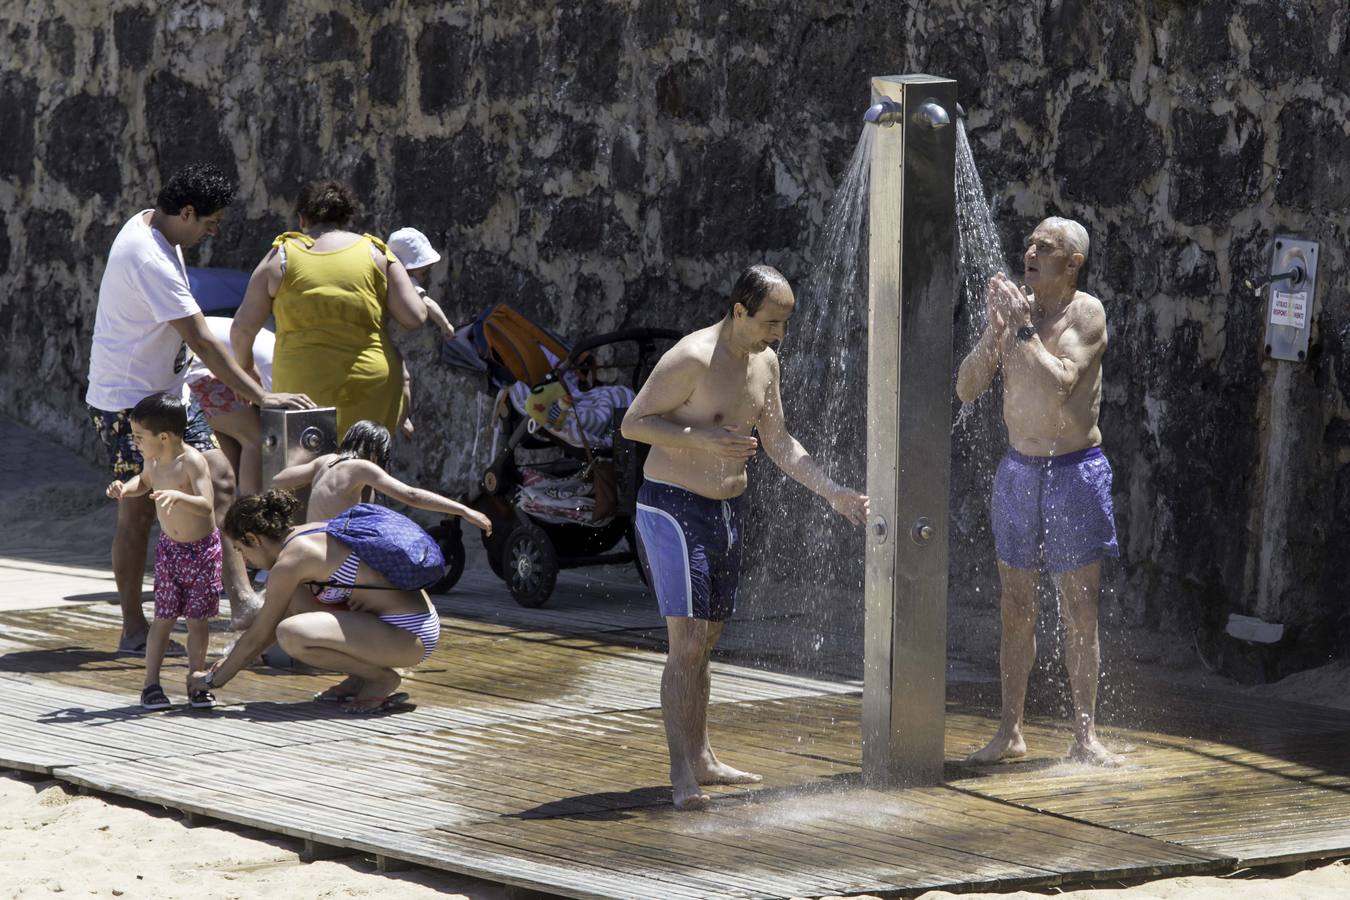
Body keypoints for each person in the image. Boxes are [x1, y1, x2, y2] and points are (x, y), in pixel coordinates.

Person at [620, 264, 869, 810]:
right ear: (739, 310)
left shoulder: (765, 363)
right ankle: (681, 771)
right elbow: (634, 423)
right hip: (672, 507)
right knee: (685, 642)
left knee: (706, 639)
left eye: (784, 324)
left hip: (727, 509)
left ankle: (703, 756)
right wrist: (700, 438)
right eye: (771, 322)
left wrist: (833, 493)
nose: (778, 334)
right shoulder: (691, 357)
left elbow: (778, 441)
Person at [86, 162, 314, 653]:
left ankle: (241, 600)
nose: (214, 230)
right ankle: (133, 627)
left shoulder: (159, 227)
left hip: (172, 393)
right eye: (210, 221)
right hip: (129, 404)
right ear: (186, 211)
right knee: (139, 512)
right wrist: (261, 397)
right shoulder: (149, 256)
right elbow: (205, 342)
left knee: (221, 481)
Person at [955, 216, 1122, 767]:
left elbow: (1060, 385)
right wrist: (995, 330)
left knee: (1079, 606)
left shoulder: (1086, 312)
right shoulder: (1017, 313)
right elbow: (966, 387)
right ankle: (1010, 731)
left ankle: (1085, 734)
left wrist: (1023, 330)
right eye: (1028, 242)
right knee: (1015, 606)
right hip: (1020, 471)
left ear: (1073, 262)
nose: (1029, 251)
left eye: (1044, 247)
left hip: (1075, 469)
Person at [189, 490, 442, 713]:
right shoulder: (304, 533)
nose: (244, 560)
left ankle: (380, 678)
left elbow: (259, 634)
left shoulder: (291, 563)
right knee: (295, 602)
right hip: (408, 625)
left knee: (292, 634)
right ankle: (358, 678)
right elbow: (268, 625)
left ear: (254, 538)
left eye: (241, 550)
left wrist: (212, 680)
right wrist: (229, 662)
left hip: (409, 634)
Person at [232, 180, 426, 437]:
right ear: (347, 219)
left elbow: (242, 330)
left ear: (302, 219)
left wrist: (245, 367)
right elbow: (414, 317)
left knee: (304, 472)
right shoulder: (375, 252)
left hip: (302, 387)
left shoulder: (281, 257)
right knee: (366, 471)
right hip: (370, 384)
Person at [104, 394, 222, 711]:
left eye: (140, 437)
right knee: (163, 619)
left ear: (164, 437)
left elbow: (207, 504)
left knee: (198, 620)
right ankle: (151, 685)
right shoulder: (153, 461)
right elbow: (142, 483)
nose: (135, 442)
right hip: (170, 552)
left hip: (201, 553)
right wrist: (124, 489)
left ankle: (196, 681)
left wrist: (177, 496)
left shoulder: (192, 461)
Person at [271, 419, 492, 532]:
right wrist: (464, 510)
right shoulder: (363, 467)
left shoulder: (325, 461)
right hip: (330, 550)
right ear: (376, 452)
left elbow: (278, 480)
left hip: (309, 538)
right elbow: (412, 496)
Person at [185, 317, 275, 496]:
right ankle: (253, 507)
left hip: (190, 370)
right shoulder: (279, 369)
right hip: (201, 371)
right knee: (256, 440)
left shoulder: (280, 349)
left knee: (230, 450)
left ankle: (229, 508)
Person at [386, 227, 456, 437]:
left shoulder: (380, 271)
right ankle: (403, 417)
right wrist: (445, 325)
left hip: (375, 333)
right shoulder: (404, 280)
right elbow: (426, 302)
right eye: (422, 270)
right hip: (384, 337)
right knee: (403, 378)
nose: (424, 275)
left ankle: (400, 415)